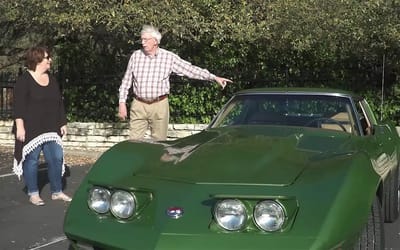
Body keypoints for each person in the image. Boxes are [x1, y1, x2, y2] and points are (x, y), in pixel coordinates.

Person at [118, 24, 232, 141]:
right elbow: (126, 81)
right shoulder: (136, 56)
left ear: (156, 41)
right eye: (142, 39)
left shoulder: (168, 57)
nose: (143, 43)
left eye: (146, 40)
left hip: (159, 104)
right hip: (139, 104)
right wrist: (122, 103)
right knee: (134, 142)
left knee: (159, 142)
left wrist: (213, 77)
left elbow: (190, 70)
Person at [12, 46, 72, 206]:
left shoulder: (51, 79)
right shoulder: (24, 80)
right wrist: (20, 126)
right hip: (31, 128)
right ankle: (33, 193)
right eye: (47, 57)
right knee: (31, 160)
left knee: (56, 158)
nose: (50, 60)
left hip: (51, 127)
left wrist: (62, 122)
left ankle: (57, 191)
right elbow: (18, 105)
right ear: (38, 60)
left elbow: (59, 103)